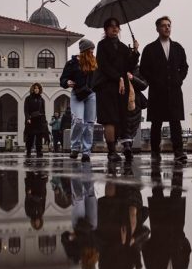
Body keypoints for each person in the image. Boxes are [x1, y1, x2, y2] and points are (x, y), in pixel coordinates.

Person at [140, 16, 189, 164]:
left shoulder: (178, 48)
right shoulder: (149, 49)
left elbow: (184, 67)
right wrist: (154, 81)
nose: (167, 28)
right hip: (157, 91)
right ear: (157, 28)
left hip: (174, 90)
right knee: (156, 122)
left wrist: (179, 79)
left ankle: (179, 152)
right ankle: (155, 151)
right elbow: (143, 69)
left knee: (175, 122)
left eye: (169, 25)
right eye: (163, 25)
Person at [142, 167, 190, 269]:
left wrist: (155, 238)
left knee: (157, 190)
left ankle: (155, 167)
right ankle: (177, 169)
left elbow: (145, 249)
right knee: (177, 192)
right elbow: (187, 250)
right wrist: (181, 236)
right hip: (176, 225)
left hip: (159, 225)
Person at [95, 18, 140, 162]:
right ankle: (111, 151)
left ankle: (122, 147)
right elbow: (103, 66)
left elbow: (129, 66)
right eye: (111, 27)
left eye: (117, 27)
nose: (115, 29)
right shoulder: (102, 45)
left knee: (121, 117)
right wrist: (118, 78)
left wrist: (135, 51)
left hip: (121, 88)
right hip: (106, 86)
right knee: (110, 119)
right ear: (106, 30)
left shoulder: (122, 47)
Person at [60, 38, 98, 162]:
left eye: (93, 50)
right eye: (91, 50)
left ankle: (86, 151)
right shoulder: (71, 64)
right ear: (84, 51)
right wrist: (67, 82)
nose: (93, 52)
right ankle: (75, 147)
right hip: (77, 94)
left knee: (89, 124)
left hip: (91, 95)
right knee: (78, 121)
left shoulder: (95, 63)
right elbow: (63, 79)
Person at [118, 68, 148, 162]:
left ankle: (128, 147)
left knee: (133, 125)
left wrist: (132, 78)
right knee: (125, 125)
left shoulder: (139, 70)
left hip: (135, 102)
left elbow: (144, 85)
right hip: (123, 101)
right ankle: (127, 146)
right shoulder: (121, 67)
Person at [24, 82, 49, 157]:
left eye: (38, 88)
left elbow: (43, 111)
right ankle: (28, 151)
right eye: (35, 88)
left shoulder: (41, 99)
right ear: (33, 89)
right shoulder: (28, 98)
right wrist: (28, 118)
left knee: (39, 137)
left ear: (40, 89)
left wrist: (44, 122)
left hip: (39, 120)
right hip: (31, 120)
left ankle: (39, 151)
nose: (36, 89)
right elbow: (26, 110)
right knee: (30, 137)